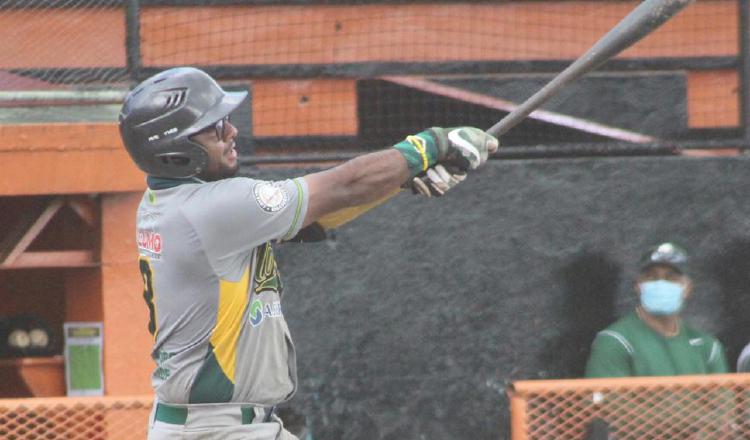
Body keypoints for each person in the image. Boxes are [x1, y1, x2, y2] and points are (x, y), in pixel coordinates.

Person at [118, 66, 498, 440]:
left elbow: (314, 221)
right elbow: (345, 185)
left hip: (225, 424)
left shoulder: (173, 204)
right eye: (216, 126)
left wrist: (399, 182)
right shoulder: (214, 208)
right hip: (215, 429)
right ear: (173, 146)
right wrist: (431, 146)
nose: (232, 131)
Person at [585, 242, 729, 378]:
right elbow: (609, 404)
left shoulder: (707, 346)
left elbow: (723, 403)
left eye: (670, 277)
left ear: (687, 288)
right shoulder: (616, 341)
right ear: (638, 285)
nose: (660, 283)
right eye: (651, 277)